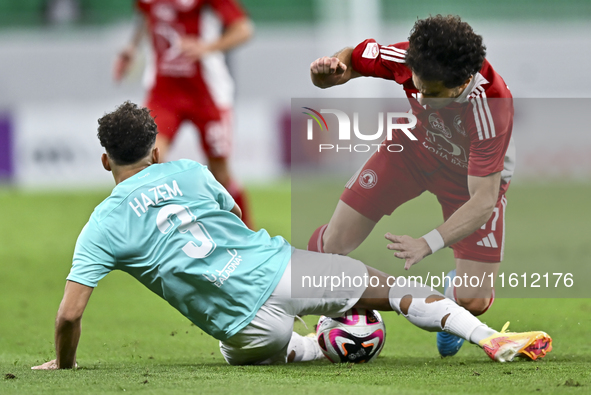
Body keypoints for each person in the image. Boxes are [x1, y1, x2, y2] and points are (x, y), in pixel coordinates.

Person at [32, 102, 551, 370]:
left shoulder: (101, 224)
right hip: (279, 269)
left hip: (242, 328)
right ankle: (490, 338)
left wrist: (66, 364)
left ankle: (321, 346)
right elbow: (233, 215)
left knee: (261, 350)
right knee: (391, 288)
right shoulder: (188, 170)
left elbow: (70, 314)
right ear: (156, 152)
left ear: (106, 160)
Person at [307, 15, 515, 357]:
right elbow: (352, 60)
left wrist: (427, 242)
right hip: (412, 152)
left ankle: (452, 300)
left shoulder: (492, 108)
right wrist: (327, 77)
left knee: (473, 300)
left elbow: (482, 201)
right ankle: (317, 300)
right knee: (334, 242)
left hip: (468, 180)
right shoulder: (408, 58)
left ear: (462, 83)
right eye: (418, 86)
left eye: (433, 95)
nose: (422, 97)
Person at [113, 0, 254, 228]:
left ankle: (248, 236)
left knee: (220, 174)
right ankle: (166, 241)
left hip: (207, 94)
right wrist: (132, 47)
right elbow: (147, 16)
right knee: (145, 164)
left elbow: (244, 29)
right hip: (164, 93)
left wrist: (207, 47)